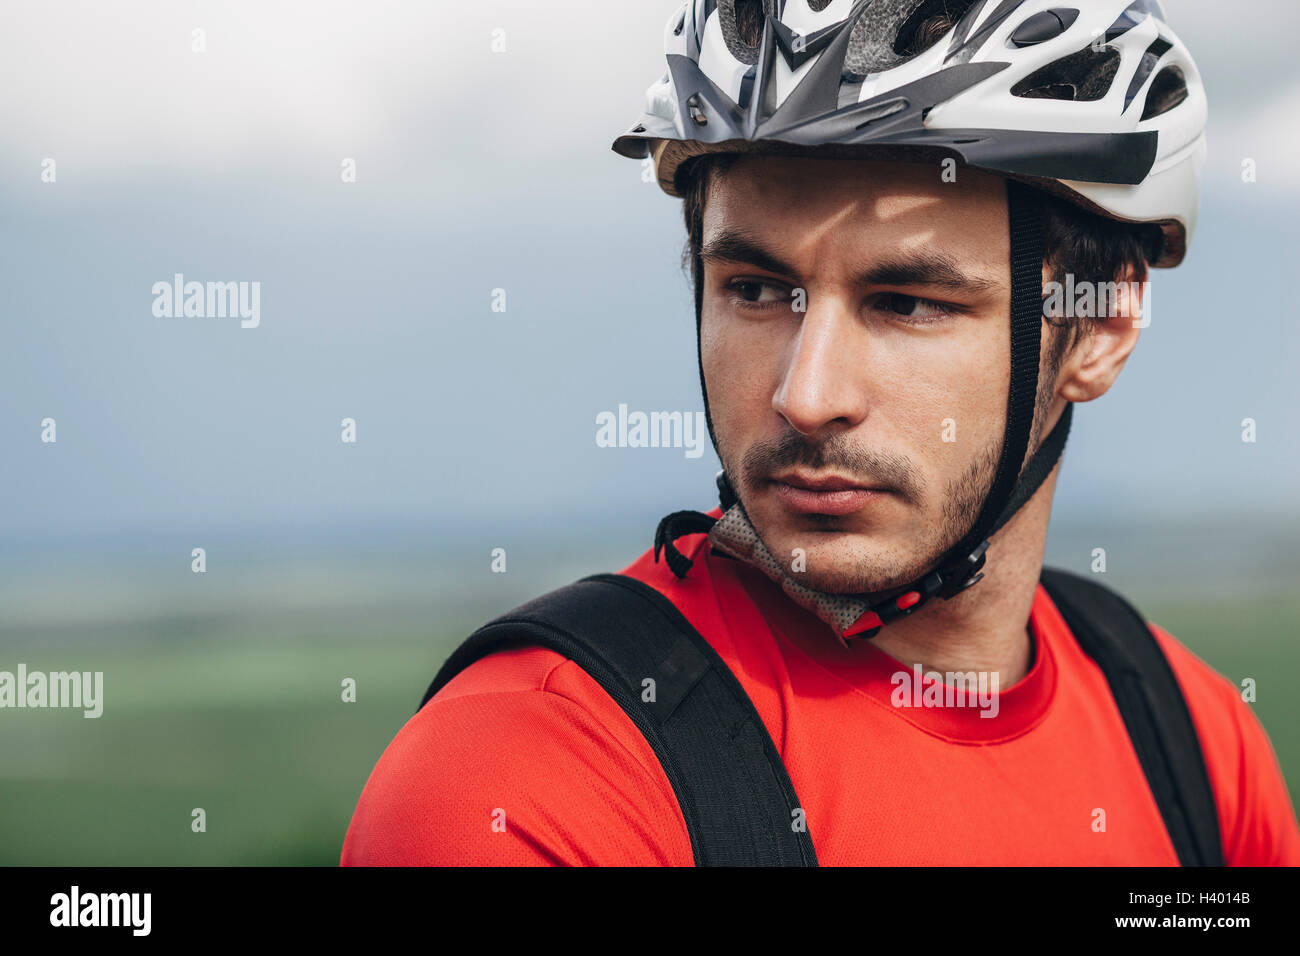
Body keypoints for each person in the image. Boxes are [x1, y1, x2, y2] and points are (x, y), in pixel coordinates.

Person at [341, 0, 1300, 865]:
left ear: (1099, 327)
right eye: (756, 291)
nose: (807, 395)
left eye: (907, 302)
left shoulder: (1188, 741)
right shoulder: (530, 775)